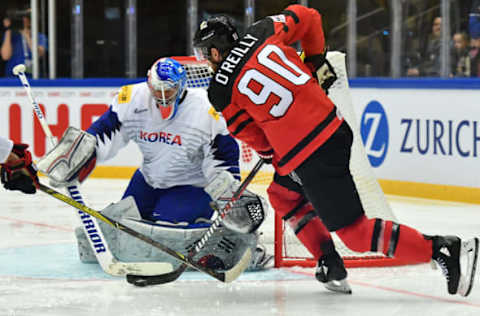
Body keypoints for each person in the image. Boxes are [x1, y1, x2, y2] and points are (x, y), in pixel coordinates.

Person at [192, 5, 479, 297]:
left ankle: (441, 248)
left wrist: (273, 154)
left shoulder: (219, 89)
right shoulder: (263, 30)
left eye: (205, 53)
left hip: (311, 153)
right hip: (334, 127)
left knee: (355, 234)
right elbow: (311, 17)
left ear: (216, 52)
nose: (205, 60)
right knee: (282, 194)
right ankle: (329, 263)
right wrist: (315, 61)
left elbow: (251, 135)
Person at [37, 57, 272, 278]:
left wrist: (227, 192)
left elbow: (223, 156)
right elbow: (105, 133)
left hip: (191, 187)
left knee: (164, 239)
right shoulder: (132, 99)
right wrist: (78, 154)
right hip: (147, 181)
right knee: (116, 232)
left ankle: (233, 247)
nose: (161, 97)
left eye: (168, 90)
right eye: (156, 90)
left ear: (181, 87)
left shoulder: (206, 109)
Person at [1, 8, 47, 77]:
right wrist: (8, 29)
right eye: (23, 17)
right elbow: (5, 56)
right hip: (12, 76)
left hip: (33, 76)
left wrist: (26, 35)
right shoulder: (11, 35)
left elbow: (38, 54)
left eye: (29, 17)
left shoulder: (40, 37)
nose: (25, 20)